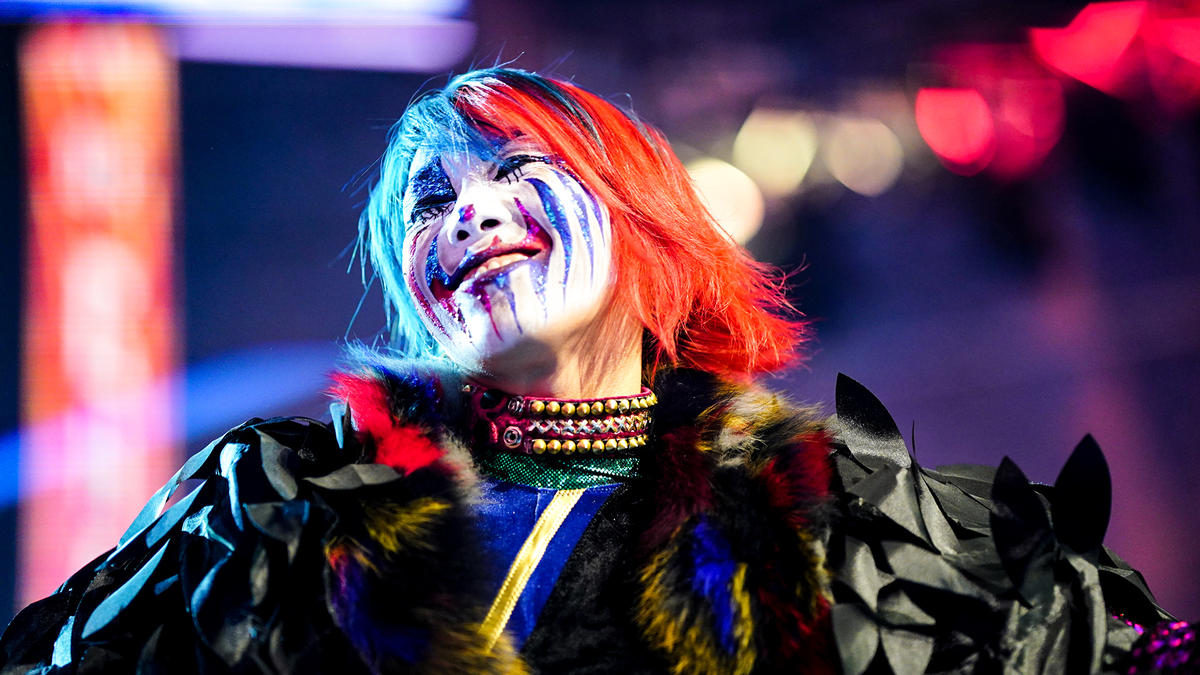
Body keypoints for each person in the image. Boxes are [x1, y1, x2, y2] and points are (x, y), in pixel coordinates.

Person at [0, 67, 1191, 674]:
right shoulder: (275, 506)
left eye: (515, 169)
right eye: (429, 202)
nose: (469, 213)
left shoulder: (840, 513)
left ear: (637, 215)